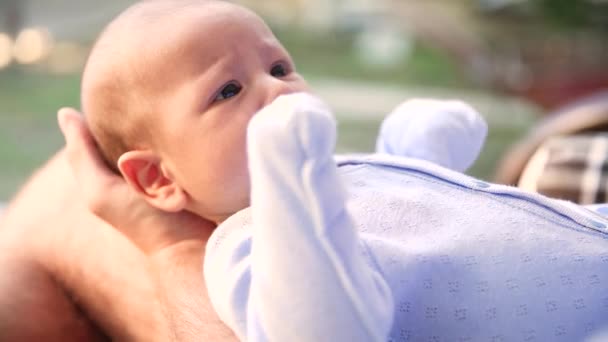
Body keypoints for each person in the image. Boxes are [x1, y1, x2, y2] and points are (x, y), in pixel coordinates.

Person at [80, 1, 608, 341]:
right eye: (228, 91)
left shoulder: (333, 173)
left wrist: (413, 153)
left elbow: (407, 222)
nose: (277, 91)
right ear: (159, 179)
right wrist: (287, 175)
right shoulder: (249, 250)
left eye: (279, 67)